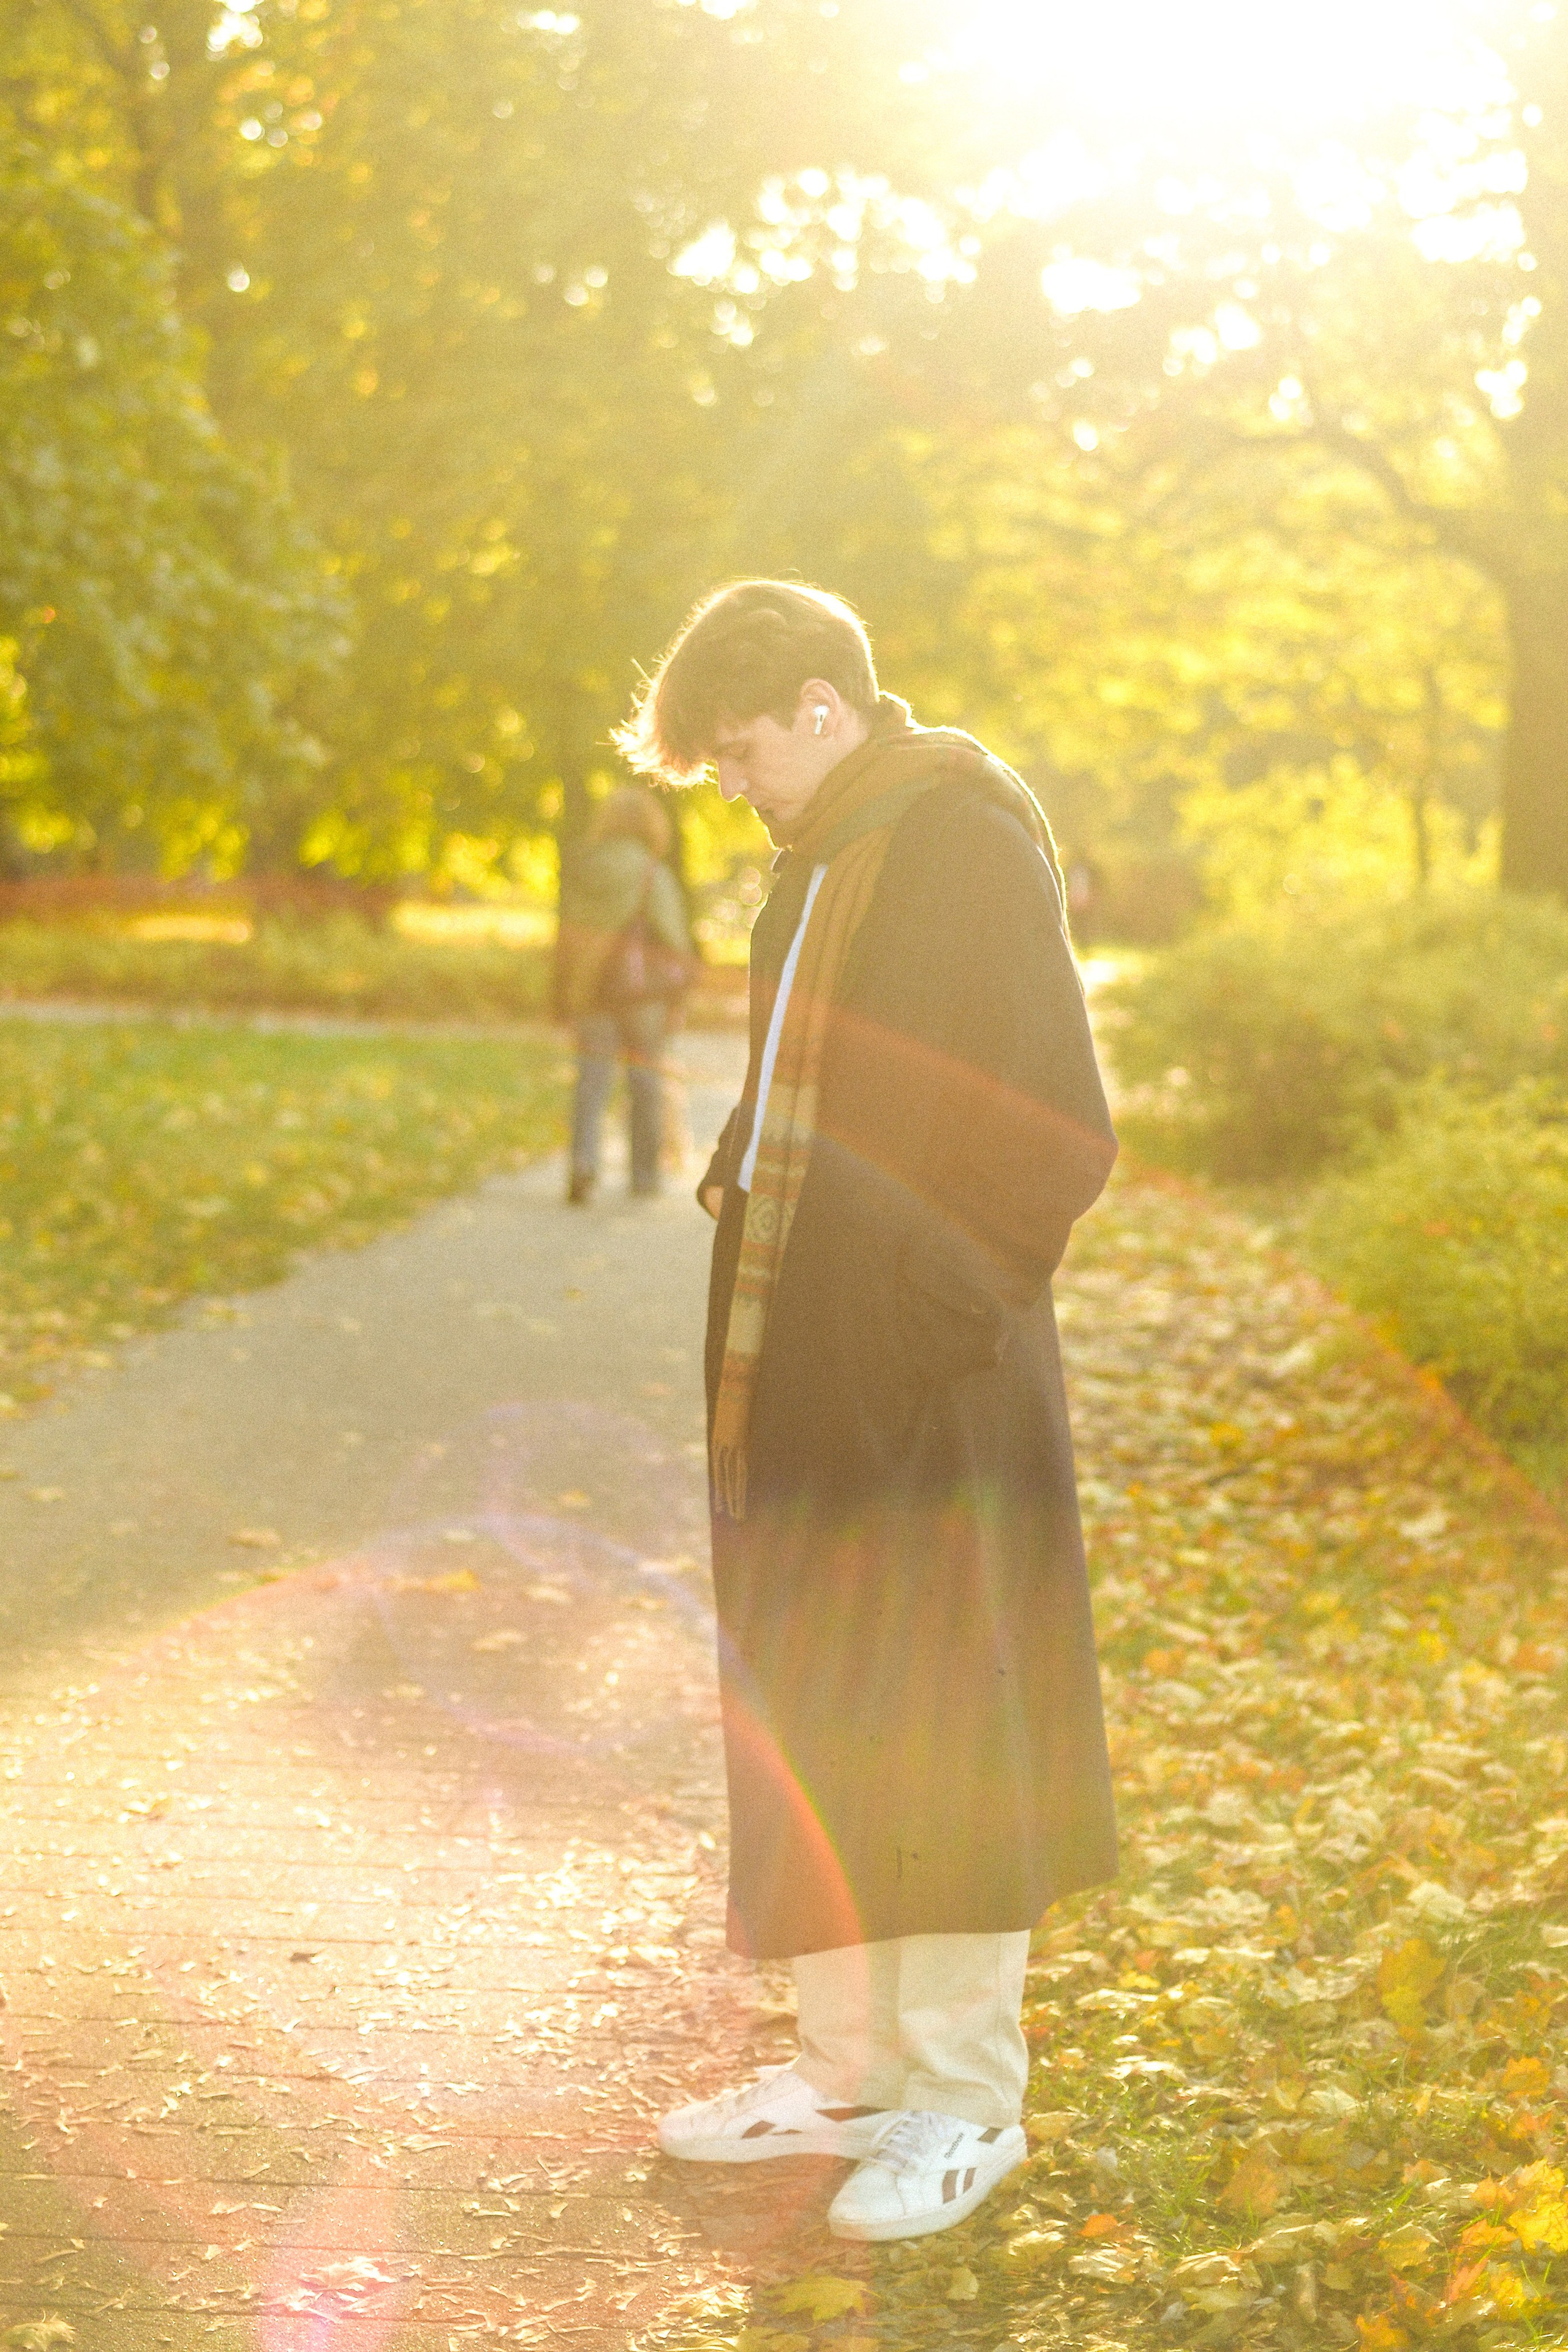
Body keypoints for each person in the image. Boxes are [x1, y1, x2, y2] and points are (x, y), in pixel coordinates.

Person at [613, 581, 1118, 2242]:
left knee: (946, 1725)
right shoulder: (824, 851)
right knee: (821, 1702)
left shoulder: (962, 839)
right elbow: (819, 1073)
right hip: (802, 1365)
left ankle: (964, 2108)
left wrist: (927, 1320)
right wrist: (742, 1169)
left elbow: (1051, 1126)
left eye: (745, 748)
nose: (735, 782)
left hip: (929, 1385)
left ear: (824, 703)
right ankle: (845, 2080)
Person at [553, 786, 692, 1205]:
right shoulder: (652, 872)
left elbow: (566, 938)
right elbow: (672, 938)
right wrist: (680, 995)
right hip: (642, 994)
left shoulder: (582, 870)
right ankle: (644, 1176)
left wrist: (562, 995)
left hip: (591, 989)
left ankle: (583, 1164)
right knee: (645, 1080)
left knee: (591, 1081)